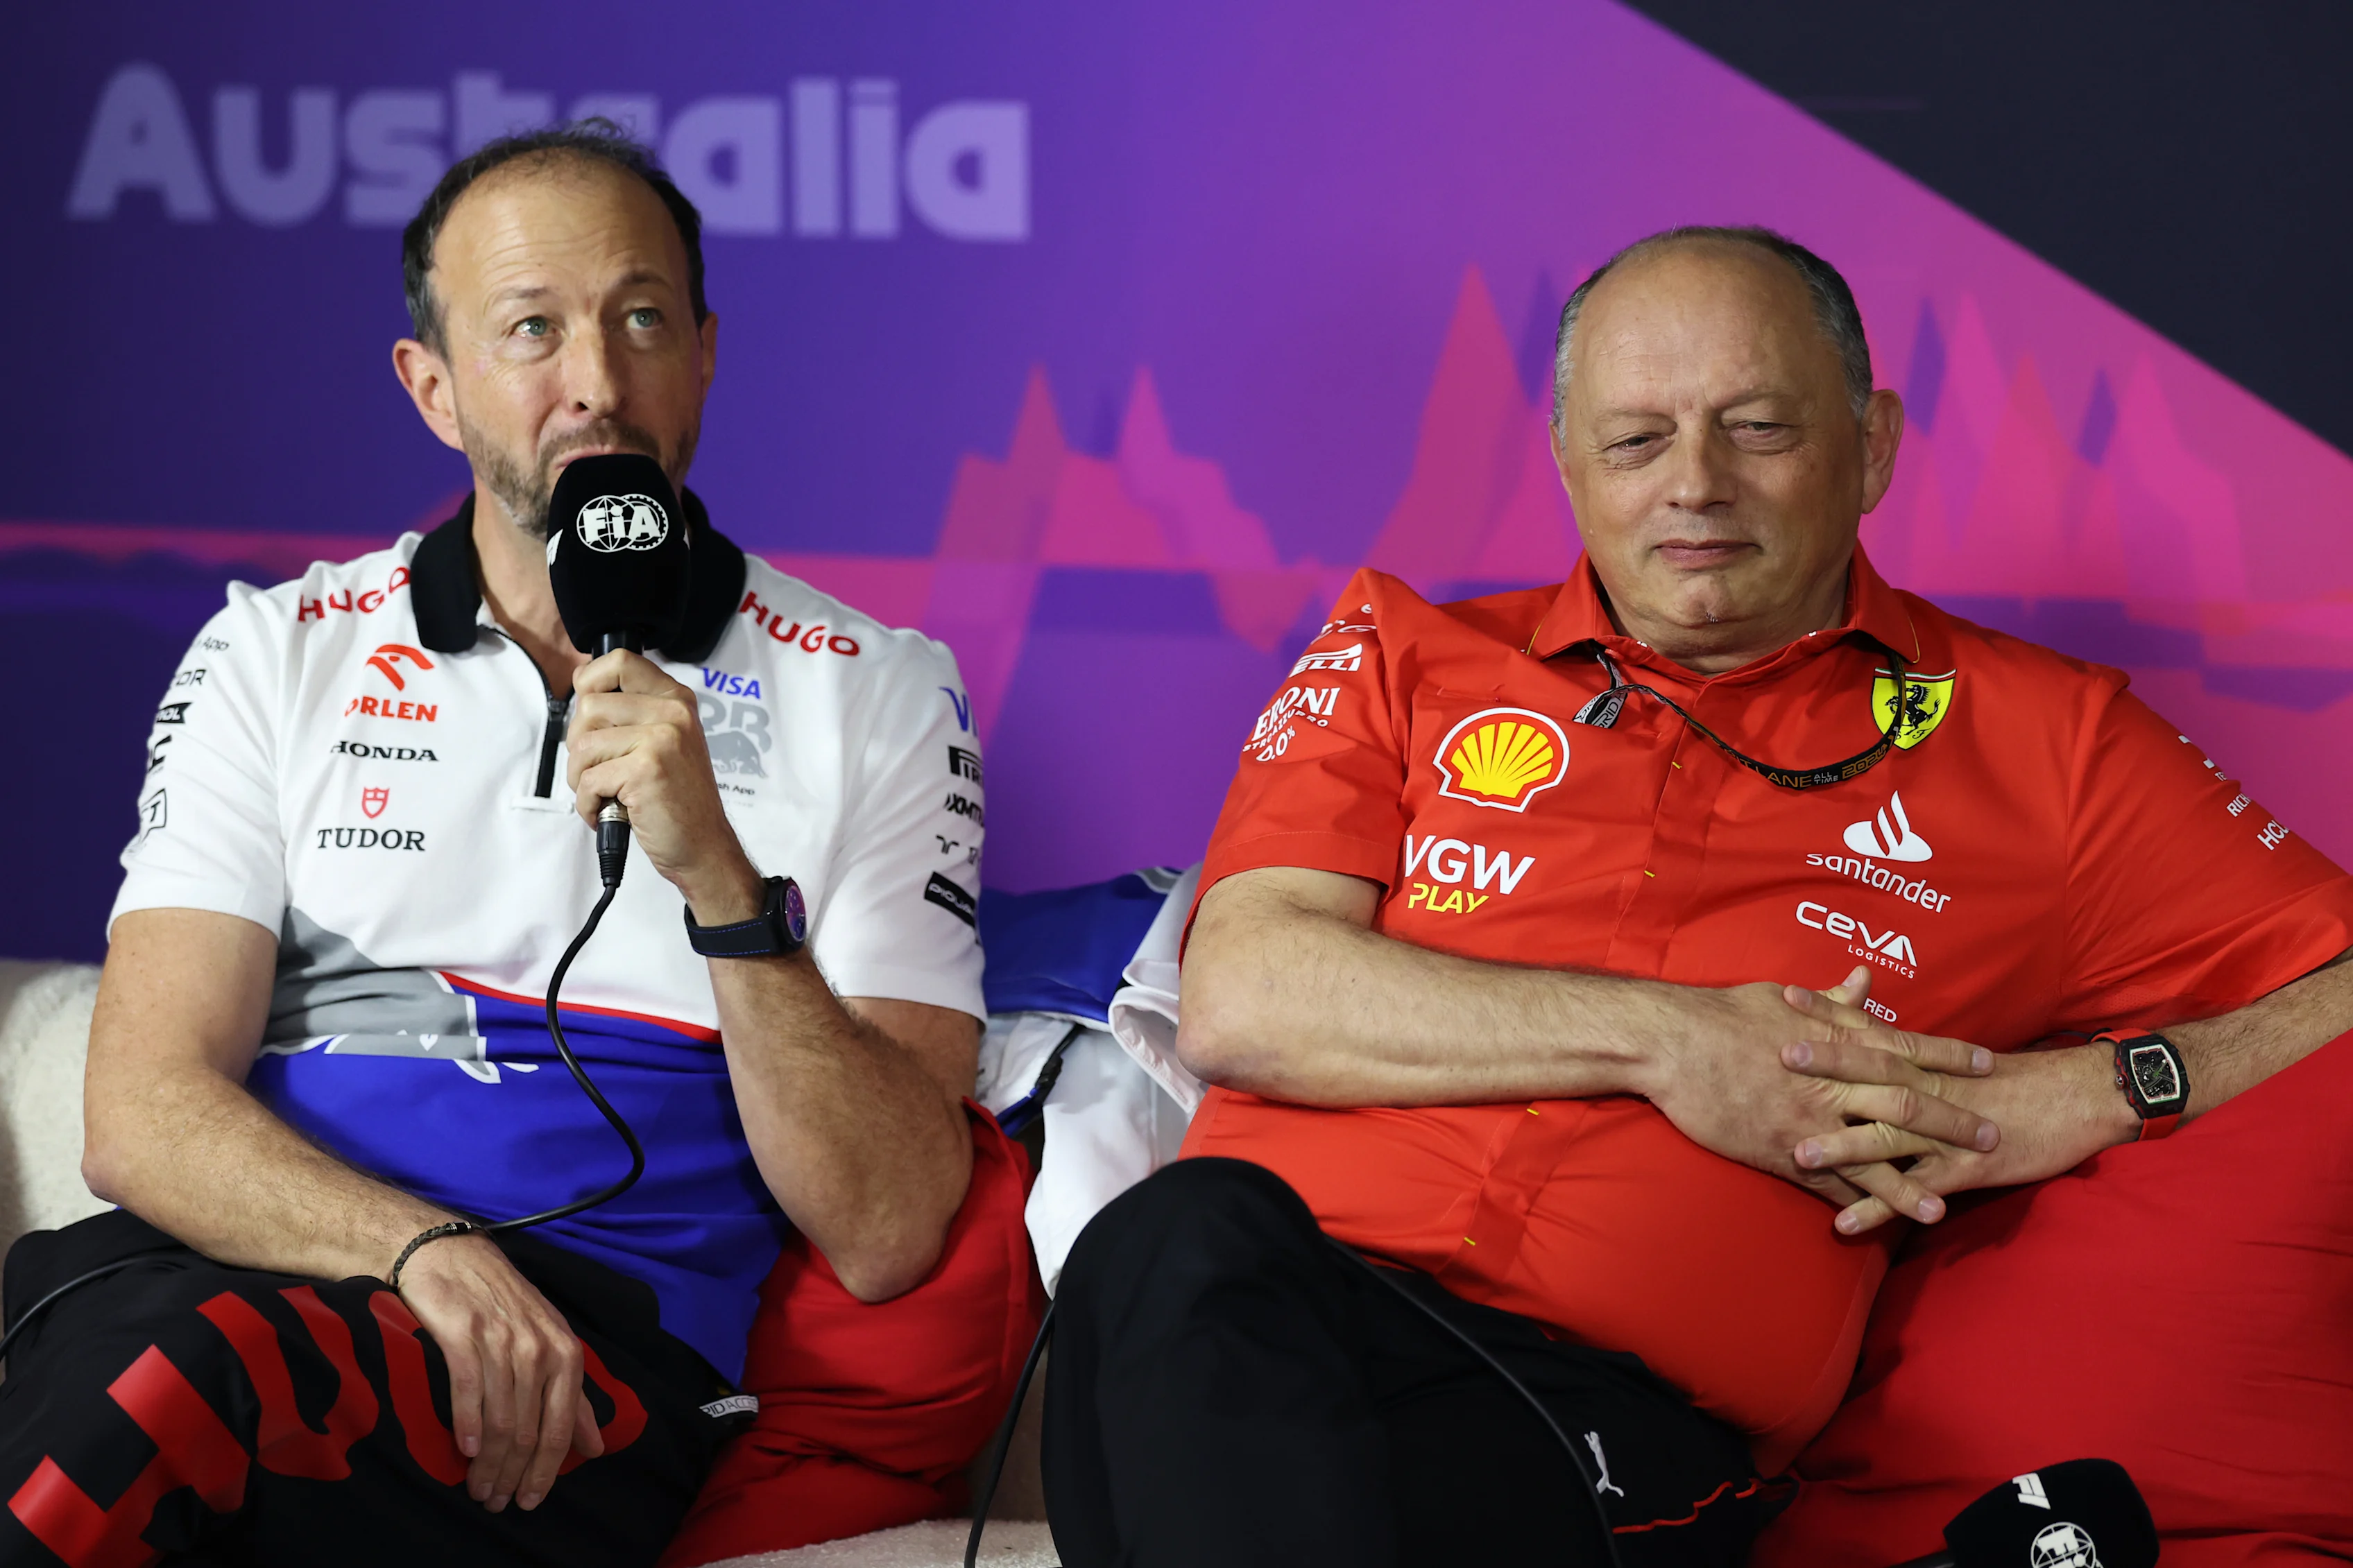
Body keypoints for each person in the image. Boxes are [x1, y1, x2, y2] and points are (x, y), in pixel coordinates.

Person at [1040, 226, 2353, 1567]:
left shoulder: (2050, 743)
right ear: (1565, 462)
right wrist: (1679, 1043)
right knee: (1178, 1239)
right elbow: (1246, 995)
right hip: (1255, 1328)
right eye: (1635, 442)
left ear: (1873, 445)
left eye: (1760, 428)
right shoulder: (1402, 649)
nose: (1696, 486)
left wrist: (2103, 1088)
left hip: (1599, 1429)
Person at [0, 125, 1034, 1568]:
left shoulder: (875, 688)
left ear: (706, 355)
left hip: (584, 1375)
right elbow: (141, 1109)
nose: (596, 381)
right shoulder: (272, 651)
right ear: (433, 388)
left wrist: (723, 886)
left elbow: (889, 1224)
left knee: (171, 1381)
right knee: (138, 1351)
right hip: (258, 1279)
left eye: (641, 318)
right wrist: (420, 1249)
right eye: (533, 329)